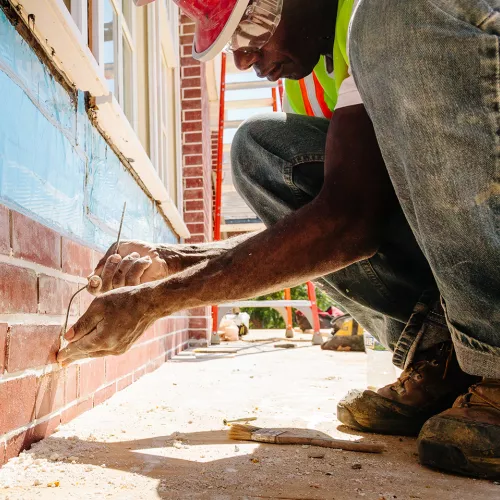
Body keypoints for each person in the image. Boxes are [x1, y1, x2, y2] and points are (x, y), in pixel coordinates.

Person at [58, 0, 500, 479]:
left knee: (390, 17)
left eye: (249, 26)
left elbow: (344, 224)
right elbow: (341, 216)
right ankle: (447, 357)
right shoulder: (330, 65)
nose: (245, 59)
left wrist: (154, 301)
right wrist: (170, 261)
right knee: (264, 151)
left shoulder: (389, 16)